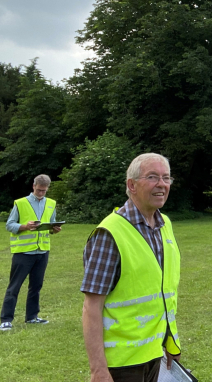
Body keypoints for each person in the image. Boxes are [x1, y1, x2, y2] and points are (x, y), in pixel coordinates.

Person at [81, 153, 181, 382]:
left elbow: (164, 296)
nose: (162, 184)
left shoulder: (165, 225)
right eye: (153, 177)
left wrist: (171, 341)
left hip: (154, 355)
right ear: (131, 185)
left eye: (166, 178)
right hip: (121, 365)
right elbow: (92, 307)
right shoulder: (110, 233)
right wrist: (98, 370)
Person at [0, 174, 62, 331]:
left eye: (44, 191)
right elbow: (9, 225)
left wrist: (55, 229)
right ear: (33, 186)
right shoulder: (20, 203)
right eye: (39, 190)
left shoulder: (51, 204)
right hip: (23, 252)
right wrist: (25, 226)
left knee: (36, 286)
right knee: (15, 286)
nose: (41, 193)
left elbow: (51, 224)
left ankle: (32, 317)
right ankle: (6, 319)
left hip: (42, 251)